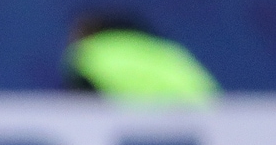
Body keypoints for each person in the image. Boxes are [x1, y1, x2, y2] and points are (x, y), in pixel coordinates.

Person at [65, 12, 218, 105]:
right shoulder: (168, 51)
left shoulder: (89, 54)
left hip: (144, 130)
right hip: (207, 123)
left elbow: (84, 107)